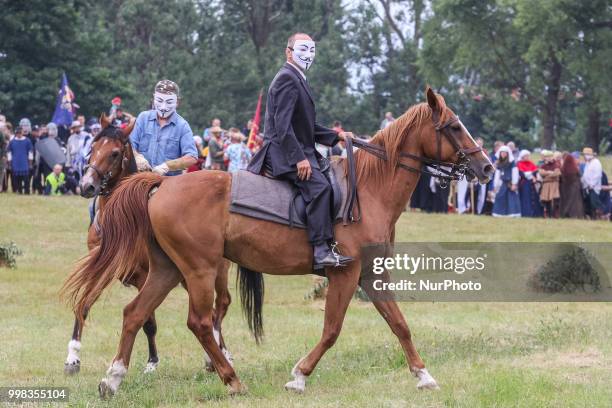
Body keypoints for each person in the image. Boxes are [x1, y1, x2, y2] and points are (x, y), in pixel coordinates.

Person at [247, 32, 354, 269]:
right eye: (302, 49)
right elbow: (283, 128)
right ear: (288, 51)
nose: (308, 55)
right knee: (320, 187)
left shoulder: (298, 78)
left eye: (311, 50)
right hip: (283, 155)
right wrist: (300, 159)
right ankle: (320, 250)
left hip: (297, 150)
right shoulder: (287, 78)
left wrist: (337, 135)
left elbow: (306, 126)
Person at [130, 79, 198, 175]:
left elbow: (192, 157)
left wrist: (167, 166)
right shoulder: (143, 118)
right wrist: (137, 156)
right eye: (159, 100)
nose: (163, 107)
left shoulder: (182, 126)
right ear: (154, 99)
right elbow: (130, 145)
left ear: (177, 102)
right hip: (140, 179)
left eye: (169, 102)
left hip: (168, 183)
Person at [492, 146, 521, 217]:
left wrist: (514, 184)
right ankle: (499, 213)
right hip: (502, 183)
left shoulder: (512, 162)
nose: (503, 154)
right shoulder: (499, 162)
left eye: (505, 153)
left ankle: (512, 214)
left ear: (508, 154)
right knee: (500, 197)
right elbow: (497, 174)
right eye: (502, 153)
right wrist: (495, 185)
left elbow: (515, 172)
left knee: (511, 199)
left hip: (510, 183)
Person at [7, 127, 33, 194]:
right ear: (16, 133)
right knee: (17, 179)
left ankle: (27, 192)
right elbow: (9, 153)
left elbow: (30, 152)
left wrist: (30, 163)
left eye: (20, 133)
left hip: (24, 163)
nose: (19, 134)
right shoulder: (12, 142)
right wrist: (9, 164)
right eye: (17, 133)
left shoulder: (27, 141)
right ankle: (20, 191)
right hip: (15, 163)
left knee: (26, 179)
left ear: (22, 133)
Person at [516, 150, 542, 217]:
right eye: (526, 156)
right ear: (522, 156)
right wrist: (531, 175)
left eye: (528, 156)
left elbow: (535, 171)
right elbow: (522, 174)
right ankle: (526, 213)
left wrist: (532, 175)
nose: (527, 157)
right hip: (524, 184)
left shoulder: (531, 163)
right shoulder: (519, 163)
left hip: (532, 184)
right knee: (525, 199)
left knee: (534, 199)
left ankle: (535, 214)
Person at [559, 153, 584, 219]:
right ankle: (576, 215)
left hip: (565, 189)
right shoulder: (575, 169)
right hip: (574, 188)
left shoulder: (563, 169)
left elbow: (561, 178)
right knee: (576, 203)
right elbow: (579, 176)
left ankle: (565, 214)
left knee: (565, 202)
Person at [580, 147, 603, 219]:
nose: (584, 156)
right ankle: (593, 217)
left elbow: (598, 175)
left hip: (594, 187)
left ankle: (601, 216)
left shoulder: (596, 162)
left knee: (595, 203)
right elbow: (585, 175)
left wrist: (592, 184)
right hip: (587, 186)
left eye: (585, 155)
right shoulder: (588, 163)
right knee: (589, 203)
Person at [538, 150, 561, 218]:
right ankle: (548, 215)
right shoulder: (543, 165)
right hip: (546, 185)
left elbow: (557, 174)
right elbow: (541, 173)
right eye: (547, 157)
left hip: (554, 185)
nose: (548, 158)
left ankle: (554, 215)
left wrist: (546, 175)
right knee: (546, 201)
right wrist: (550, 172)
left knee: (553, 201)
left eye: (549, 156)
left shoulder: (556, 165)